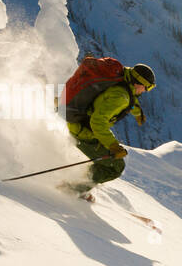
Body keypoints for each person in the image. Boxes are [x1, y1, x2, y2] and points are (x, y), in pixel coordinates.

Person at [64, 62, 155, 196]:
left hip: (80, 122)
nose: (145, 91)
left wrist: (137, 112)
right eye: (146, 87)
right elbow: (98, 121)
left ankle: (79, 183)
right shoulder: (121, 97)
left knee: (108, 160)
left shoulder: (123, 79)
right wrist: (113, 146)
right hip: (83, 132)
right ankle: (71, 190)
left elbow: (129, 97)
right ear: (138, 83)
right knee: (116, 167)